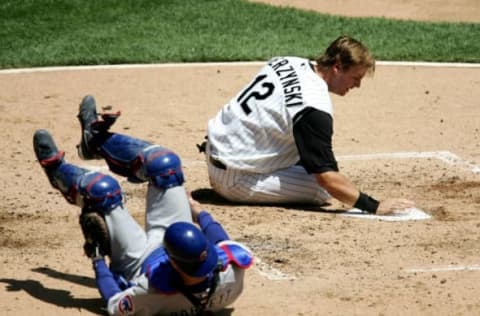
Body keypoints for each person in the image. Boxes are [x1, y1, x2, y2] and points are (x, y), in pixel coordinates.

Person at [33, 95, 253, 316]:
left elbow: (112, 300)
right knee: (165, 165)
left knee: (101, 191)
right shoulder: (231, 272)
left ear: (174, 264)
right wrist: (198, 212)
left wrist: (97, 258)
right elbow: (221, 240)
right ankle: (95, 141)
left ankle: (57, 172)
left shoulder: (150, 294)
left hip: (137, 262)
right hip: (175, 241)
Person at [202, 35, 415, 215]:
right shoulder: (314, 107)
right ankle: (231, 184)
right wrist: (374, 206)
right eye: (355, 77)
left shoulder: (287, 61)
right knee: (320, 189)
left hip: (217, 148)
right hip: (234, 179)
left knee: (298, 145)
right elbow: (327, 178)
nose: (357, 85)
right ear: (337, 67)